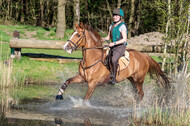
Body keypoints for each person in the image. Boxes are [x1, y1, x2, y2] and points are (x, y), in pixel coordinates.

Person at [102, 8, 127, 85]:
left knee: (113, 59)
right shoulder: (111, 25)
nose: (114, 17)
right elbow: (108, 37)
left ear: (120, 17)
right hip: (112, 47)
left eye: (116, 15)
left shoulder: (122, 26)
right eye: (114, 15)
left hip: (120, 47)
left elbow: (124, 39)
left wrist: (114, 43)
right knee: (104, 58)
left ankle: (113, 77)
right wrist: (103, 39)